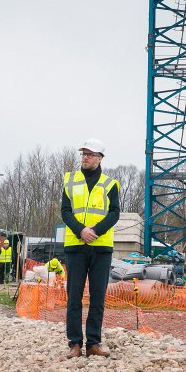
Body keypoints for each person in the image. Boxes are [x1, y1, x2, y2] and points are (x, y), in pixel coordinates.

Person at [60, 138, 120, 359]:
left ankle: (93, 342)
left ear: (100, 158)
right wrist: (80, 231)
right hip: (76, 246)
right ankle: (74, 343)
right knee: (73, 296)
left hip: (101, 247)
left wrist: (96, 231)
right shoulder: (70, 180)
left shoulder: (111, 184)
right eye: (83, 154)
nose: (85, 157)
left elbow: (114, 213)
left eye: (90, 154)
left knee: (97, 297)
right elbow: (65, 211)